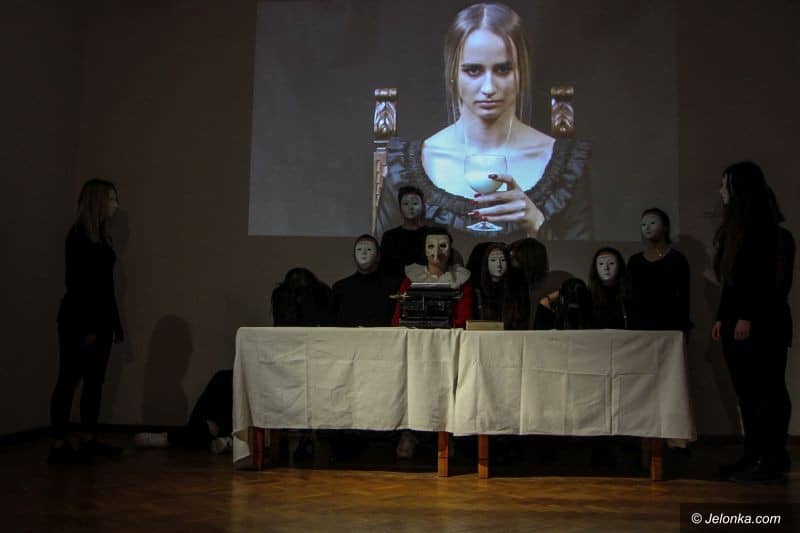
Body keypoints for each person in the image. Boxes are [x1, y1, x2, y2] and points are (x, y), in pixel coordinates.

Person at [376, 3, 591, 241]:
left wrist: (536, 224)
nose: (488, 88)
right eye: (473, 71)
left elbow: (583, 259)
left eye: (503, 69)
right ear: (453, 74)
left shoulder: (563, 165)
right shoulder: (409, 165)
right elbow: (383, 255)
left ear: (521, 73)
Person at [711, 162, 794, 484]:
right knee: (747, 393)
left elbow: (771, 284)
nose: (721, 192)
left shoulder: (773, 236)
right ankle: (753, 454)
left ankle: (773, 458)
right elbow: (732, 283)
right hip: (737, 323)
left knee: (768, 392)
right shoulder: (735, 234)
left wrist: (747, 317)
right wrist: (723, 317)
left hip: (765, 325)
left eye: (725, 185)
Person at [48, 179, 124, 464]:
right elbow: (79, 285)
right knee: (69, 380)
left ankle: (88, 439)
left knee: (94, 383)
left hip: (100, 321)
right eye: (112, 199)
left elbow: (106, 287)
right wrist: (88, 328)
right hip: (79, 321)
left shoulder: (102, 237)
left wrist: (115, 325)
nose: (116, 205)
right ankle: (58, 444)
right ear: (98, 201)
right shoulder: (78, 236)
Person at [133, 370, 234, 454]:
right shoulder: (225, 378)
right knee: (223, 378)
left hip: (231, 430)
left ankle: (226, 441)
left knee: (206, 433)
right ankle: (172, 436)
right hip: (215, 425)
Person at [391, 227, 473, 329]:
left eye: (442, 246)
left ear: (450, 249)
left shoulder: (460, 279)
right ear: (425, 250)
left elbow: (464, 318)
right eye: (431, 246)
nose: (437, 252)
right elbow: (398, 318)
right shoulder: (411, 279)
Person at [627, 208, 691, 333]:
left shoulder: (677, 259)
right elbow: (630, 297)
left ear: (665, 227)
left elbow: (683, 298)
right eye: (643, 224)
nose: (647, 227)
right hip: (640, 326)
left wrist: (683, 330)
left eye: (652, 223)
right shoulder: (634, 261)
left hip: (669, 325)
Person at [332, 235, 400, 326]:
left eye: (369, 249)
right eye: (359, 249)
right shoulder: (340, 288)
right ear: (354, 256)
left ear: (378, 256)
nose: (363, 253)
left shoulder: (393, 287)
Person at [506, 237, 573, 329]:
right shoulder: (515, 287)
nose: (509, 263)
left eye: (514, 258)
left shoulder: (559, 279)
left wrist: (548, 299)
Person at [379, 186, 429, 278]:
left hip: (425, 283)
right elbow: (384, 268)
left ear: (422, 206)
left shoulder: (432, 234)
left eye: (415, 203)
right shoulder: (389, 237)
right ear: (400, 208)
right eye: (406, 204)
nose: (411, 207)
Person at [472, 242, 509, 321]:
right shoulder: (478, 291)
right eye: (493, 260)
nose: (499, 264)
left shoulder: (514, 290)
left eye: (503, 260)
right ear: (486, 263)